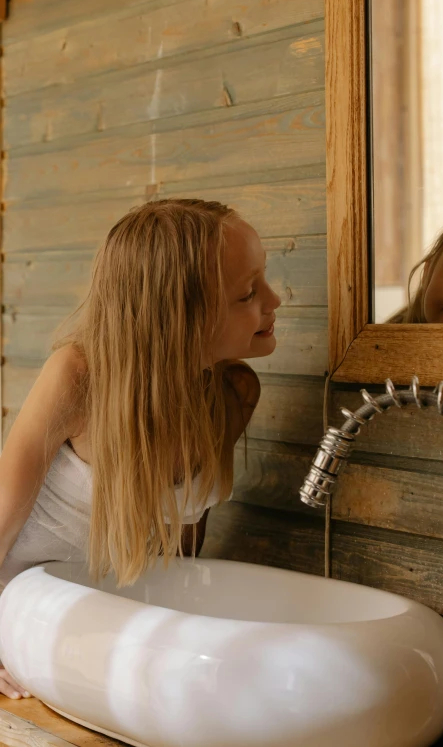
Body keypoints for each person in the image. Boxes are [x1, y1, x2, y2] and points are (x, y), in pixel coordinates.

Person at [0, 198, 281, 699]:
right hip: (20, 608)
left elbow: (182, 552)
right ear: (180, 315)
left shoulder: (233, 393)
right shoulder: (77, 377)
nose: (274, 300)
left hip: (103, 613)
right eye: (247, 293)